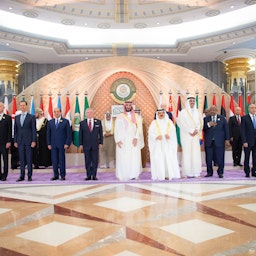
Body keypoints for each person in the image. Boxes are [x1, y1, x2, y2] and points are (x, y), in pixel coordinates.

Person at [114, 101, 144, 181]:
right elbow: (116, 129)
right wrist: (117, 140)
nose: (128, 106)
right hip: (123, 141)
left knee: (134, 158)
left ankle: (133, 175)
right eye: (126, 105)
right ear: (124, 106)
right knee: (123, 158)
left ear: (132, 106)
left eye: (129, 105)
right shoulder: (120, 116)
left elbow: (139, 128)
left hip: (133, 140)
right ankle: (123, 175)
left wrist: (136, 138)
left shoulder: (137, 116)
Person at [148, 109, 180, 180]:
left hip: (167, 144)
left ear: (165, 114)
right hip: (158, 145)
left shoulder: (169, 122)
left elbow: (173, 132)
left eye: (162, 113)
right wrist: (156, 136)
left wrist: (169, 136)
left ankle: (168, 174)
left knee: (168, 159)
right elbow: (150, 133)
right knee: (159, 159)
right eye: (159, 113)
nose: (161, 114)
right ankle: (160, 175)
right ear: (157, 114)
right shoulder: (154, 123)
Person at [177, 95, 203, 178]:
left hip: (195, 135)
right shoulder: (183, 112)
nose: (192, 102)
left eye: (193, 101)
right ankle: (186, 173)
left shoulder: (198, 112)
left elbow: (200, 122)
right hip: (187, 135)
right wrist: (190, 131)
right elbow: (181, 123)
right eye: (190, 101)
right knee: (187, 153)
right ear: (188, 102)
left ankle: (196, 173)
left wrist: (196, 130)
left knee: (195, 153)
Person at [203, 105, 229, 178]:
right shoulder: (205, 119)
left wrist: (227, 139)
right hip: (209, 142)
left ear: (217, 111)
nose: (212, 111)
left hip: (219, 141)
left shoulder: (222, 118)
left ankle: (220, 172)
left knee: (220, 157)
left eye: (214, 110)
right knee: (208, 158)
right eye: (211, 110)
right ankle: (209, 172)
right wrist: (208, 124)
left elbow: (226, 129)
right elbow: (202, 128)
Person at [14, 100, 37, 182]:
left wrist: (34, 141)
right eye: (21, 105)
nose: (22, 107)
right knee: (22, 159)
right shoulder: (17, 117)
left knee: (29, 159)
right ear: (19, 107)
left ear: (26, 106)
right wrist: (15, 141)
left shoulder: (31, 117)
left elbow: (34, 130)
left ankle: (29, 176)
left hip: (29, 141)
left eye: (24, 105)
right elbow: (15, 130)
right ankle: (21, 176)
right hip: (20, 141)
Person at [47, 107, 71, 180]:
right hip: (53, 145)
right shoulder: (50, 122)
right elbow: (48, 134)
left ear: (60, 112)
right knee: (54, 160)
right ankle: (55, 175)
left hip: (62, 145)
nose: (56, 113)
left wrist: (67, 143)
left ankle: (63, 175)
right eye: (55, 112)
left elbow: (68, 134)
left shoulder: (65, 121)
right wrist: (48, 144)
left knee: (61, 160)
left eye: (57, 111)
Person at [79, 108, 103, 180]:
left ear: (93, 113)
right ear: (86, 114)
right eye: (88, 112)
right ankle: (88, 175)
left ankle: (94, 175)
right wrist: (80, 144)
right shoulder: (82, 123)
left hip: (95, 145)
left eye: (91, 112)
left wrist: (101, 142)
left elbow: (100, 134)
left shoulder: (98, 122)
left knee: (95, 160)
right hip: (86, 145)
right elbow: (80, 135)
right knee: (87, 160)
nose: (89, 114)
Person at [241, 104, 256, 178]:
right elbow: (242, 131)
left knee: (255, 158)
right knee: (247, 157)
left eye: (255, 108)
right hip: (248, 142)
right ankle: (247, 172)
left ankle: (254, 171)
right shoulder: (244, 118)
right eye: (252, 108)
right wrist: (244, 141)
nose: (254, 109)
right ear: (249, 109)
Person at [0, 102, 12, 181]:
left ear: (3, 107)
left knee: (5, 159)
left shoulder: (7, 117)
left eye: (0, 106)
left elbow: (9, 130)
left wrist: (9, 141)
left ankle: (5, 175)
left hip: (4, 142)